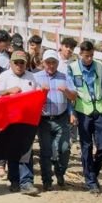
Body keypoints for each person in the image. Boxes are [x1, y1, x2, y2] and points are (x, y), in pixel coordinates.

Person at [68, 41, 102, 194]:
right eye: (86, 56)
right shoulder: (72, 68)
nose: (89, 59)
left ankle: (92, 170)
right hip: (83, 110)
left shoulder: (99, 66)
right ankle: (90, 181)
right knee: (86, 147)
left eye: (91, 56)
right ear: (80, 54)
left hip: (100, 109)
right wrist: (71, 112)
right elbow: (70, 92)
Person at [34, 50, 77, 192]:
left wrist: (66, 91)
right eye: (48, 62)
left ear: (57, 63)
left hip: (61, 118)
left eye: (53, 62)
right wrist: (40, 92)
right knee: (46, 151)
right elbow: (30, 96)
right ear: (43, 63)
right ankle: (47, 181)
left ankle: (60, 173)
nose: (51, 65)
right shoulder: (36, 77)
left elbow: (73, 97)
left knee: (64, 148)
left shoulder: (64, 77)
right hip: (44, 120)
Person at [0, 50, 39, 193]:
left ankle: (26, 181)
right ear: (11, 63)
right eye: (16, 62)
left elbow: (38, 95)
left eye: (22, 62)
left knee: (26, 150)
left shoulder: (32, 77)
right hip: (10, 118)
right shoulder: (4, 76)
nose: (19, 65)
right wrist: (9, 91)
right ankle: (14, 180)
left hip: (27, 119)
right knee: (12, 150)